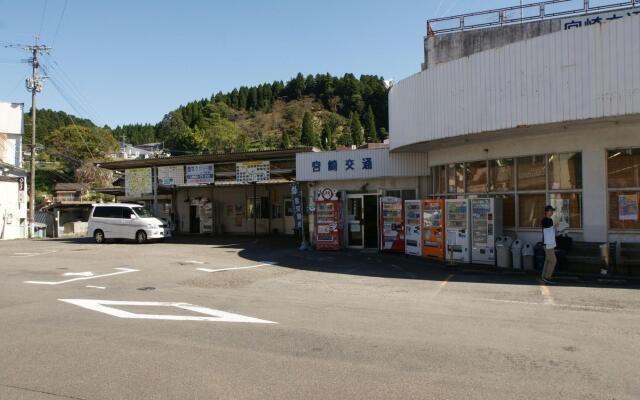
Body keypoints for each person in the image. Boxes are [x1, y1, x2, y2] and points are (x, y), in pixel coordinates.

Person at [541, 205, 557, 284]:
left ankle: (544, 276)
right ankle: (547, 277)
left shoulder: (550, 220)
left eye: (552, 211)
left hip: (549, 243)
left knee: (548, 260)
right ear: (547, 212)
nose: (552, 212)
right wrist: (554, 227)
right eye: (551, 211)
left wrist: (555, 227)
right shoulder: (544, 220)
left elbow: (550, 230)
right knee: (553, 260)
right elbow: (547, 230)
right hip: (547, 243)